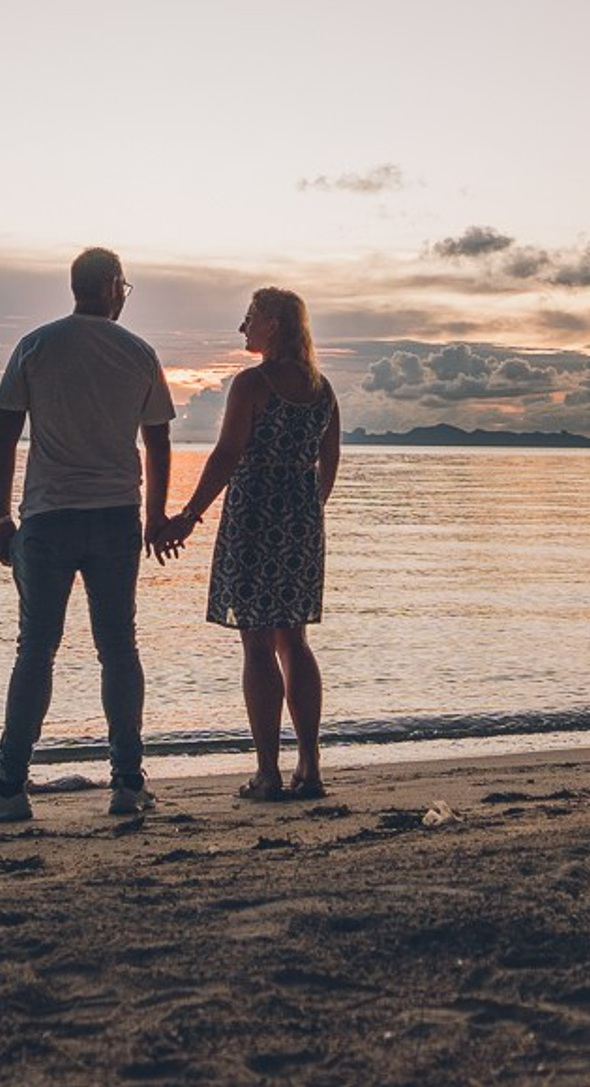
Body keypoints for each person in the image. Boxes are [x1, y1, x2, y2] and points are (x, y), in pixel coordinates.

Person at [0, 248, 175, 824]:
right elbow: (157, 441)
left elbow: (4, 437)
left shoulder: (36, 345)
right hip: (116, 516)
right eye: (124, 287)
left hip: (48, 518)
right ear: (111, 286)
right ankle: (127, 781)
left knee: (36, 649)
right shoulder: (138, 352)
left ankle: (10, 785)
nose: (124, 296)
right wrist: (156, 516)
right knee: (118, 648)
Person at [157, 286, 341, 801]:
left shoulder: (252, 383)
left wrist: (188, 516)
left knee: (257, 643)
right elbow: (329, 461)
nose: (243, 327)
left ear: (274, 324)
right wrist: (308, 509)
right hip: (301, 521)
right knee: (294, 640)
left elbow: (226, 456)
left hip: (255, 517)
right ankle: (310, 766)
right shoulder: (322, 388)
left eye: (250, 318)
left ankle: (268, 772)